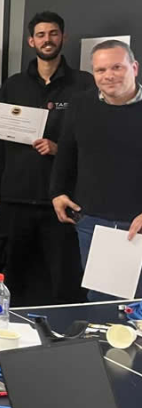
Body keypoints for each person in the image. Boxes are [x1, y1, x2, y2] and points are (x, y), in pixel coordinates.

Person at [0, 12, 93, 306]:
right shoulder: (13, 85)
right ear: (31, 41)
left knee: (64, 278)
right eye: (41, 34)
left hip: (61, 200)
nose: (48, 40)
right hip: (15, 197)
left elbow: (94, 139)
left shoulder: (83, 84)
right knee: (15, 276)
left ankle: (64, 331)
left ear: (63, 37)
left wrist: (60, 149)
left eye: (53, 33)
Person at [52, 39, 142, 301]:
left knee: (137, 304)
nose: (108, 75)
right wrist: (57, 191)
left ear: (134, 67)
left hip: (136, 223)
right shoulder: (81, 104)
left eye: (117, 67)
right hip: (93, 221)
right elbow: (66, 152)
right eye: (100, 70)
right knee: (101, 301)